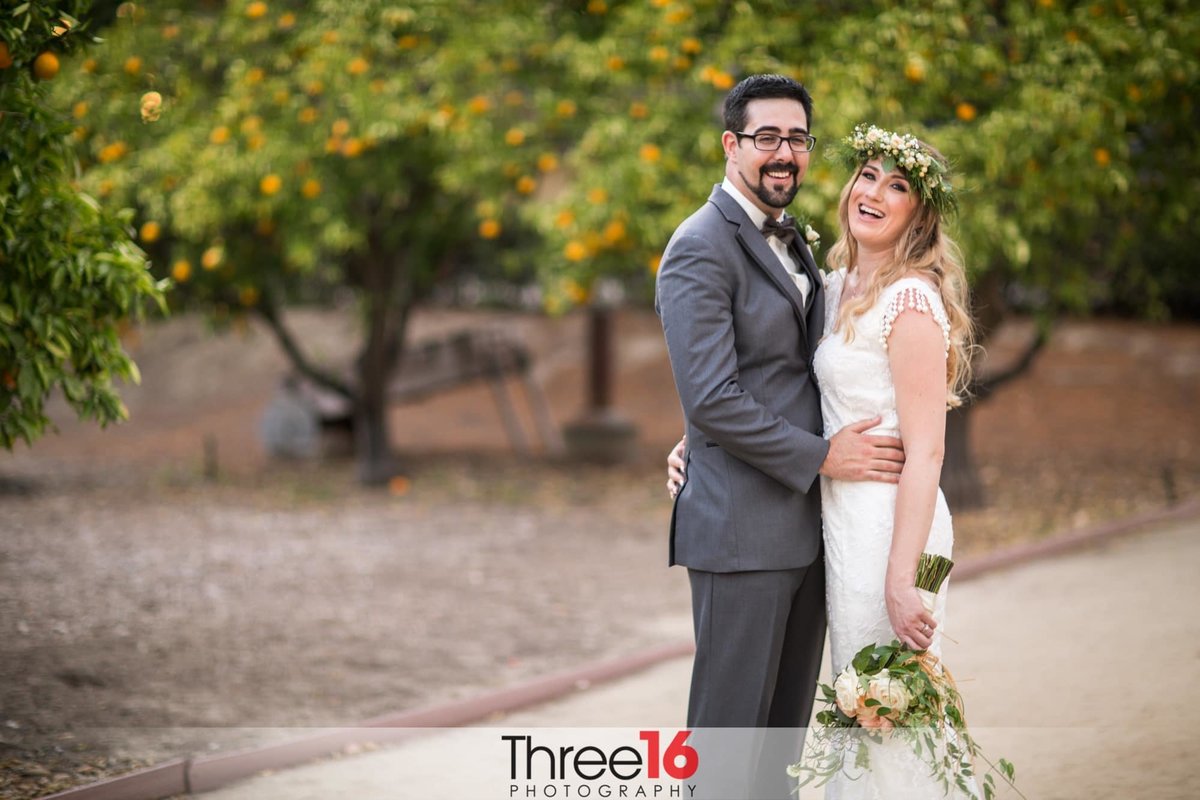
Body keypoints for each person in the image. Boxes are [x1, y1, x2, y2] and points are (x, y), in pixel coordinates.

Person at [667, 122, 976, 799]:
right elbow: (775, 380)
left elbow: (927, 451)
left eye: (897, 187)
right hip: (836, 521)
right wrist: (702, 439)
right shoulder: (831, 285)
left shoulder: (912, 300)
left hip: (897, 527)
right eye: (867, 175)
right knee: (854, 712)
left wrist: (904, 577)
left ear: (918, 216)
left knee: (890, 709)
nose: (874, 192)